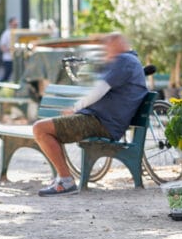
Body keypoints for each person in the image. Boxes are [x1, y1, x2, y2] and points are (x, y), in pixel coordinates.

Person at [31, 32, 147, 196]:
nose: (105, 48)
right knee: (46, 129)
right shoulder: (127, 62)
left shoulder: (124, 61)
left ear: (118, 44)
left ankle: (65, 180)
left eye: (108, 44)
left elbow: (99, 90)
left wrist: (75, 108)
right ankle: (63, 177)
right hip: (101, 120)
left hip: (100, 122)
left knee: (40, 129)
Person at [0, 17, 18, 82]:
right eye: (14, 24)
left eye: (16, 25)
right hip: (8, 59)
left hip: (16, 58)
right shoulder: (6, 34)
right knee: (6, 76)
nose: (15, 26)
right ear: (10, 24)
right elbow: (2, 47)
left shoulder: (18, 33)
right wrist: (11, 49)